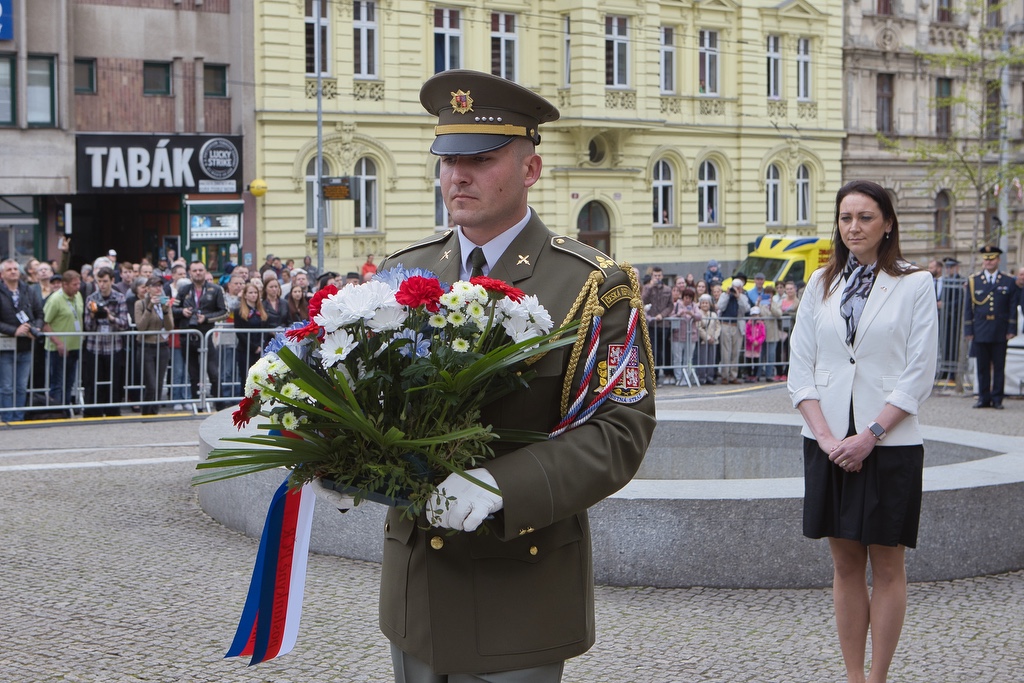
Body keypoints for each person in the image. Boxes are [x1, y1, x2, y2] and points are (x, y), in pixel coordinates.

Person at [317, 69, 656, 683]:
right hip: (416, 590)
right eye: (447, 158)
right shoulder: (403, 273)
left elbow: (619, 430)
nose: (457, 176)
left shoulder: (589, 285)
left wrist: (501, 486)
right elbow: (375, 402)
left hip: (517, 591)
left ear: (531, 169)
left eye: (481, 158)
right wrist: (343, 459)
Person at [788, 180, 938, 683]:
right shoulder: (819, 284)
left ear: (887, 223)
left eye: (866, 217)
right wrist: (829, 438)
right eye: (846, 217)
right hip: (828, 440)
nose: (854, 227)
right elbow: (800, 370)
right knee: (846, 563)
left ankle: (878, 677)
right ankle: (854, 677)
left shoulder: (915, 283)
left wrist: (870, 433)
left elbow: (920, 371)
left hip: (889, 440)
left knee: (888, 564)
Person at [964, 245, 1018, 409]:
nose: (988, 262)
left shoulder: (1008, 281)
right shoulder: (974, 281)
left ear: (998, 260)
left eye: (992, 258)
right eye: (986, 259)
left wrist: (1011, 329)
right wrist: (968, 330)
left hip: (1000, 329)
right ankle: (983, 397)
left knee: (999, 366)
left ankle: (997, 399)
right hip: (980, 328)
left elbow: (1012, 306)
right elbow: (968, 308)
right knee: (982, 366)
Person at [172, 261, 227, 410]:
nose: (197, 273)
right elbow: (173, 309)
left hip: (206, 335)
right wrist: (183, 312)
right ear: (190, 273)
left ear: (205, 271)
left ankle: (220, 405)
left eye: (200, 270)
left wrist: (206, 318)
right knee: (193, 373)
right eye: (194, 270)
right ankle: (198, 404)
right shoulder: (183, 290)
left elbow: (224, 312)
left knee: (213, 372)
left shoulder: (215, 289)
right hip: (188, 336)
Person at [82, 266, 131, 417]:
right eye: (99, 281)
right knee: (93, 381)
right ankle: (93, 412)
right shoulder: (91, 299)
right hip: (94, 346)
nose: (102, 285)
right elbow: (88, 326)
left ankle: (112, 411)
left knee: (114, 381)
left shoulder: (120, 298)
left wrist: (110, 317)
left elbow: (124, 324)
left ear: (112, 281)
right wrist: (92, 315)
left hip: (113, 346)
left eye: (105, 281)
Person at [0, 259, 45, 422]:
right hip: (5, 347)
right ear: (2, 274)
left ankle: (18, 418)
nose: (13, 271)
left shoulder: (28, 290)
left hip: (26, 346)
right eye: (9, 269)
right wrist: (14, 331)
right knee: (6, 387)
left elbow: (39, 313)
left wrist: (37, 328)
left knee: (21, 386)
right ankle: (6, 418)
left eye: (15, 269)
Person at [42, 269, 84, 416]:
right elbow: (44, 323)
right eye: (74, 284)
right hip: (57, 348)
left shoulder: (78, 296)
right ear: (64, 285)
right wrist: (58, 343)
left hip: (74, 346)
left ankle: (65, 410)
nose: (77, 287)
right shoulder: (55, 299)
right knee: (58, 382)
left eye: (79, 284)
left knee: (69, 382)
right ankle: (56, 411)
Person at [134, 276, 173, 415]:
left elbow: (169, 327)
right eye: (155, 286)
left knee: (159, 384)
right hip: (146, 347)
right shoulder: (140, 304)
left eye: (160, 286)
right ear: (148, 289)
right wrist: (150, 306)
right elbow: (141, 326)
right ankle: (146, 412)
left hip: (162, 346)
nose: (158, 288)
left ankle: (154, 412)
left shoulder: (164, 303)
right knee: (151, 384)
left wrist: (167, 310)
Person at [642, 266, 674, 385]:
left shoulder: (667, 289)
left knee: (662, 351)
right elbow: (642, 300)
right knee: (652, 351)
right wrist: (650, 287)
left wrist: (662, 314)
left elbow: (671, 306)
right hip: (651, 324)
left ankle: (660, 375)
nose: (657, 278)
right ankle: (652, 377)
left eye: (659, 275)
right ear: (652, 276)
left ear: (662, 276)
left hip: (663, 324)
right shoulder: (647, 288)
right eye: (655, 276)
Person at [716, 276, 750, 384]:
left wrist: (738, 296)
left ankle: (733, 375)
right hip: (726, 325)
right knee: (726, 352)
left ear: (740, 288)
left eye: (737, 287)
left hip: (737, 326)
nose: (734, 289)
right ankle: (725, 375)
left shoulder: (743, 297)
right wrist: (727, 295)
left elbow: (746, 309)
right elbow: (720, 306)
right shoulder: (724, 295)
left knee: (736, 352)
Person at [669, 286, 701, 386]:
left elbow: (699, 316)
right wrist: (678, 315)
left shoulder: (694, 306)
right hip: (677, 336)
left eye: (690, 298)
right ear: (682, 297)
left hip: (691, 336)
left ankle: (686, 377)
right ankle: (678, 377)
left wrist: (692, 314)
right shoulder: (676, 305)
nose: (687, 300)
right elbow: (670, 316)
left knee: (688, 358)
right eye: (686, 297)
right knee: (677, 358)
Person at [694, 293, 720, 384]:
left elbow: (718, 327)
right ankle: (702, 377)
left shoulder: (713, 314)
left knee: (711, 359)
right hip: (703, 341)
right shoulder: (698, 314)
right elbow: (699, 327)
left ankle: (710, 377)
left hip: (713, 340)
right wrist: (707, 338)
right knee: (703, 359)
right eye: (703, 303)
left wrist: (715, 337)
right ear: (700, 304)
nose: (705, 305)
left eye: (707, 303)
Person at [743, 306, 765, 381]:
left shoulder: (761, 324)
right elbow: (747, 333)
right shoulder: (748, 324)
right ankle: (749, 374)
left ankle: (755, 375)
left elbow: (763, 335)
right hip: (749, 345)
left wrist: (758, 341)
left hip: (757, 347)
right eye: (753, 315)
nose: (755, 317)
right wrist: (752, 340)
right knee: (748, 360)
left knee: (756, 360)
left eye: (756, 315)